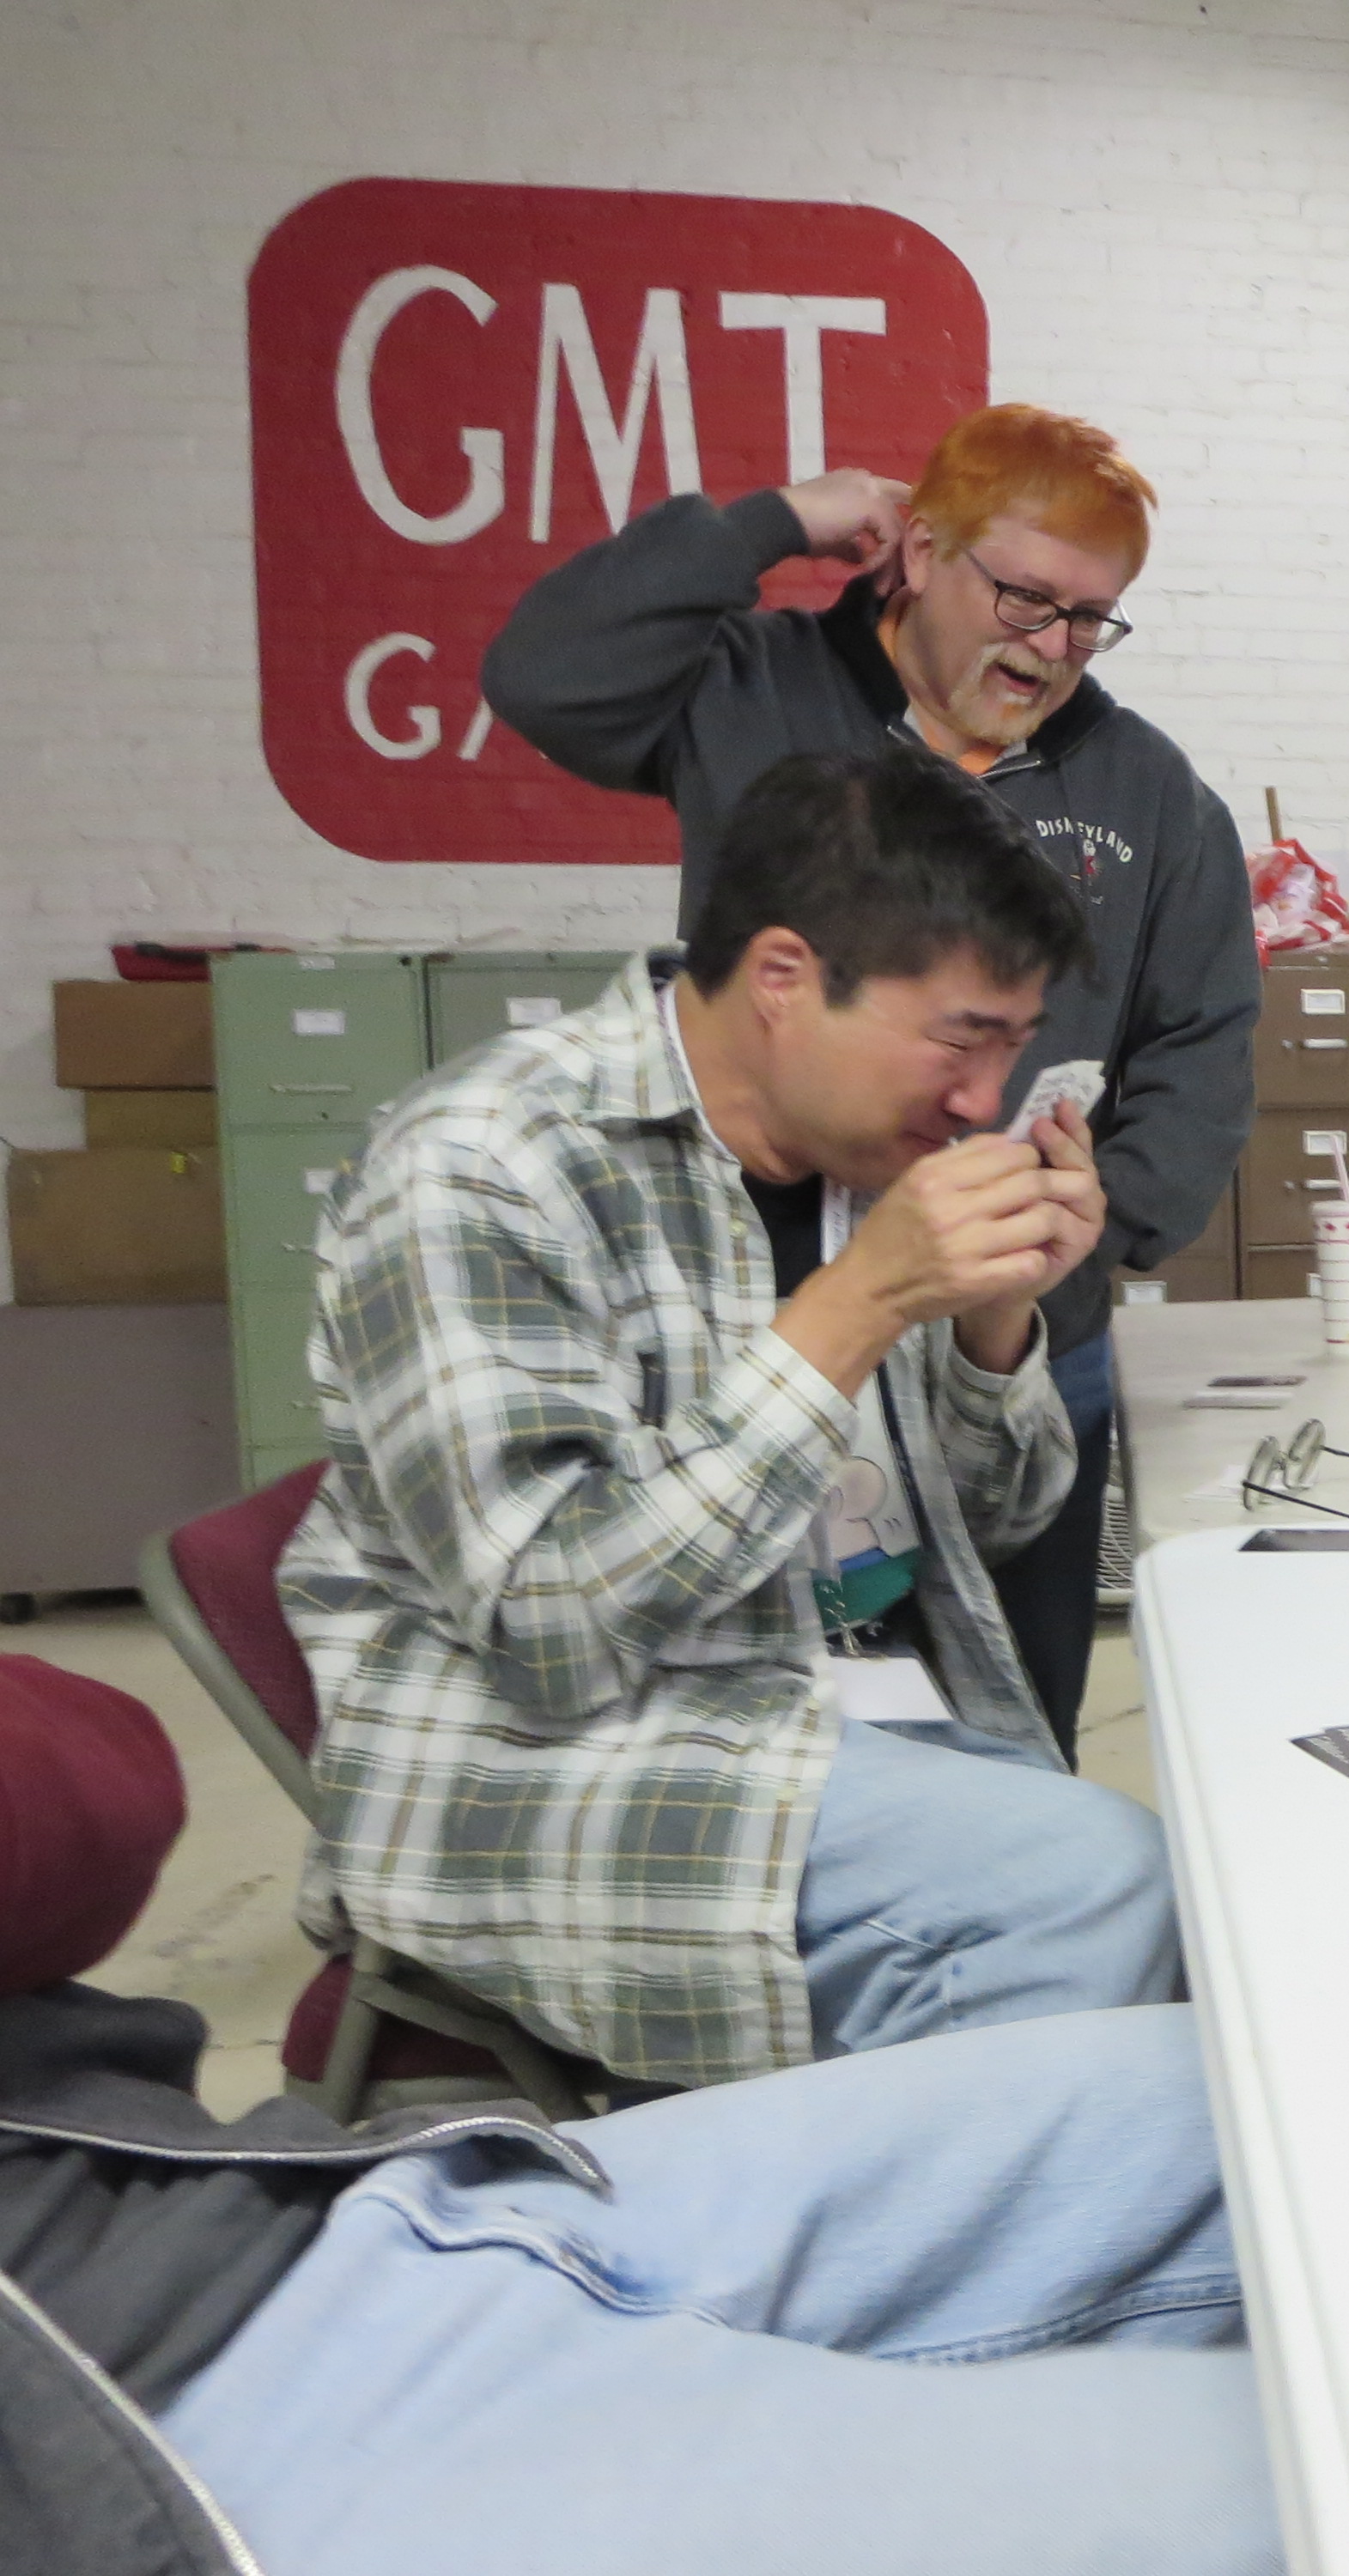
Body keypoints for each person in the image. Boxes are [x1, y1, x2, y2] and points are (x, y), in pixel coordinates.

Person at [287, 748, 1179, 2092]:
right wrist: (854, 1308)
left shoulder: (855, 1155)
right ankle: (849, 2216)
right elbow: (549, 1629)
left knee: (1219, 1890)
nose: (985, 1103)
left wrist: (999, 1318)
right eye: (961, 1040)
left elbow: (996, 1523)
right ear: (782, 979)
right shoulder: (480, 1165)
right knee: (1103, 1896)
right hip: (551, 1761)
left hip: (841, 1700)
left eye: (1015, 1045)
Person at [0, 1649, 1278, 2576]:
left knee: (1263, 2100)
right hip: (155, 2442)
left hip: (298, 2210)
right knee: (1331, 2490)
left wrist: (977, 1371)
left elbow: (92, 1790)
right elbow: (564, 1626)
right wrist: (825, 1362)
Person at [484, 403, 1263, 1763]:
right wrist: (775, 522)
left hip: (1013, 1340)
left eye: (1091, 618)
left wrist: (1094, 1237)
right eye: (1024, 598)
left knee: (1013, 1723)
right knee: (758, 1718)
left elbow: (1204, 1034)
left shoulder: (1144, 789)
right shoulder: (751, 691)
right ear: (918, 550)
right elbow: (546, 674)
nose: (1053, 646)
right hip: (757, 1318)